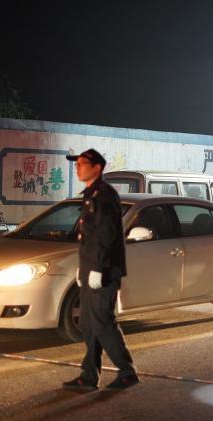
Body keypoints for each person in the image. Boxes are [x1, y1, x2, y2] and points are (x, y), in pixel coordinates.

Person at [63, 149, 139, 392]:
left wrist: (97, 268)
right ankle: (89, 375)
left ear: (97, 167)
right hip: (91, 269)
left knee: (103, 323)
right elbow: (90, 238)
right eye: (77, 164)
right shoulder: (90, 195)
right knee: (89, 323)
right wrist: (83, 268)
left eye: (82, 163)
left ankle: (127, 372)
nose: (78, 167)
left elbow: (106, 235)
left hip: (103, 271)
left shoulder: (105, 195)